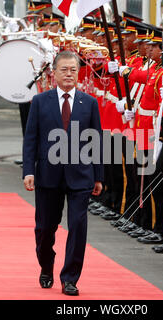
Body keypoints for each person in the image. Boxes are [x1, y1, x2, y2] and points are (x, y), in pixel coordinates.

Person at [22, 50, 103, 296]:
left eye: (73, 70)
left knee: (78, 226)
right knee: (45, 229)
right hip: (48, 175)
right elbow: (31, 139)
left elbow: (96, 141)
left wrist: (98, 176)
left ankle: (70, 278)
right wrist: (28, 171)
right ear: (54, 72)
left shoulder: (89, 103)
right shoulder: (40, 101)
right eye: (64, 70)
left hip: (80, 176)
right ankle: (46, 264)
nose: (69, 74)